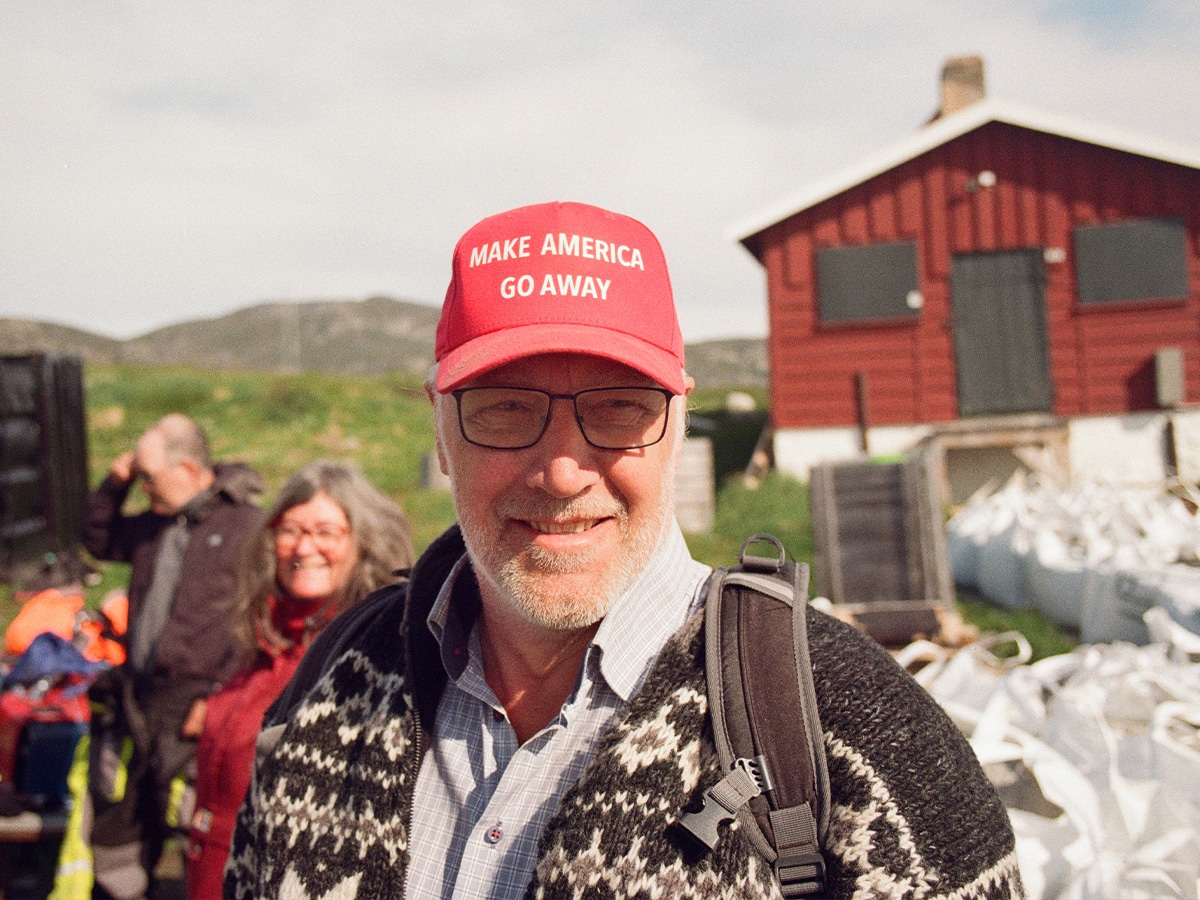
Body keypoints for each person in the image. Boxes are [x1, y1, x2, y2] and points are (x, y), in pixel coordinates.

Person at [226, 202, 1025, 898]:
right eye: (505, 409)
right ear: (440, 426)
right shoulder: (334, 686)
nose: (565, 471)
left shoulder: (860, 739)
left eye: (618, 409)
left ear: (676, 425)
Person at [184, 459, 414, 898]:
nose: (303, 547)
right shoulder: (260, 639)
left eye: (326, 533)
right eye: (289, 530)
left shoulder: (375, 660)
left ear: (364, 543)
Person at [82, 413, 264, 900]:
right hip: (138, 696)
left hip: (196, 702)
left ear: (187, 468)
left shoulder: (247, 526)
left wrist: (221, 697)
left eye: (149, 477)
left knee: (186, 824)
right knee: (122, 815)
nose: (144, 488)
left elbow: (259, 622)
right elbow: (96, 539)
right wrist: (114, 483)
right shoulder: (152, 525)